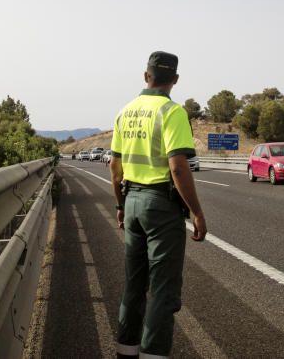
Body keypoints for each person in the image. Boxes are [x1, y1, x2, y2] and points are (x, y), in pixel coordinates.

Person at [109, 51, 206, 359]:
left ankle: (126, 351)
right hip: (161, 206)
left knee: (133, 286)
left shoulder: (125, 112)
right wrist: (197, 212)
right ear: (175, 80)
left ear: (145, 75)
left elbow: (115, 168)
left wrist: (121, 205)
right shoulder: (172, 112)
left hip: (133, 200)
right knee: (163, 290)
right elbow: (178, 167)